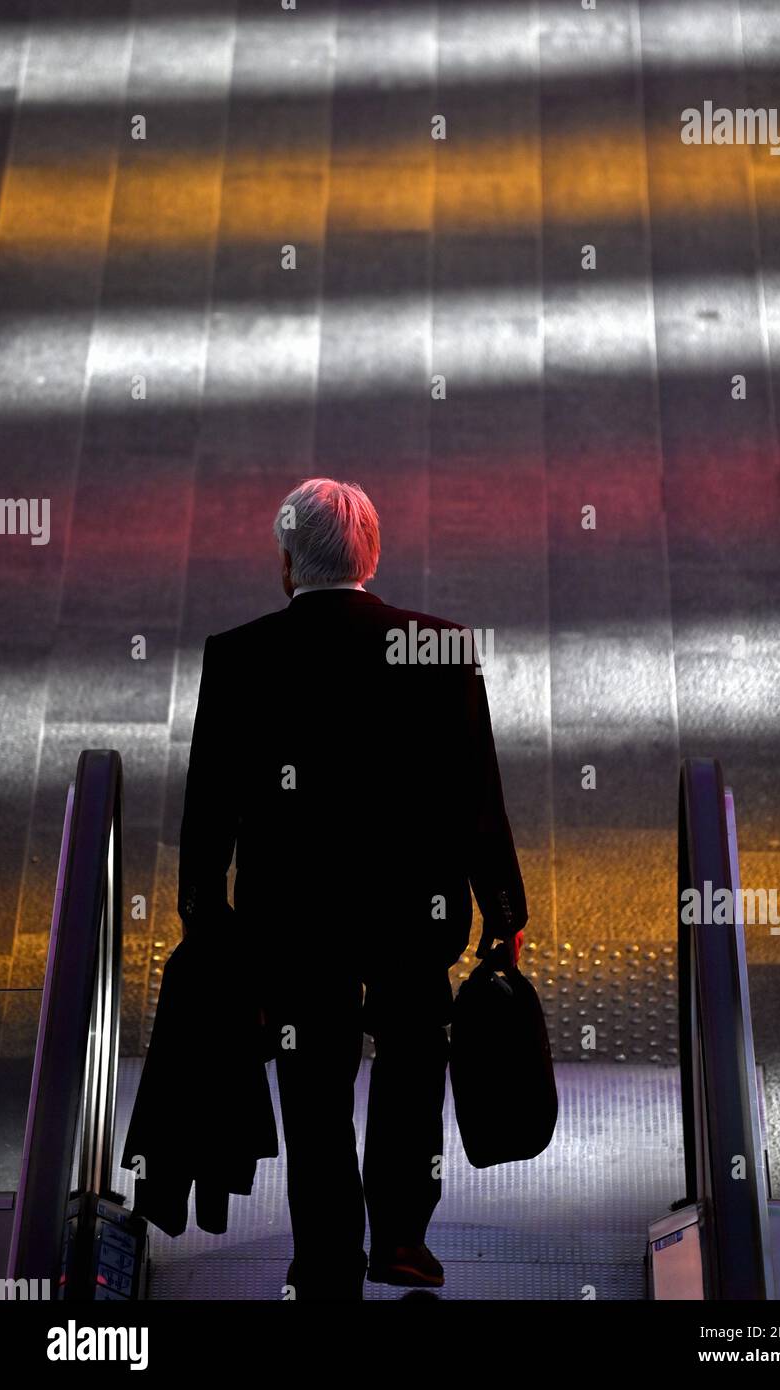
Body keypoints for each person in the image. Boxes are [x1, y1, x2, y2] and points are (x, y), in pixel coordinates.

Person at [177, 477, 527, 1301]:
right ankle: (401, 1238)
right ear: (372, 554)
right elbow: (479, 796)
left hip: (293, 922)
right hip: (414, 912)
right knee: (412, 1063)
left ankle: (327, 1258)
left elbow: (210, 805)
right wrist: (502, 909)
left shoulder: (242, 655)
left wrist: (205, 915)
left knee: (312, 1086)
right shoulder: (437, 648)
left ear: (288, 562)